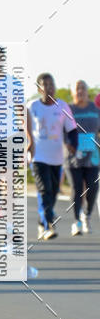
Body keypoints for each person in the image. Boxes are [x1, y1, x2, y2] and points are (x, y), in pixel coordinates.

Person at [27, 73, 77, 240]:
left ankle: (42, 222)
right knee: (45, 189)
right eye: (45, 85)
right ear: (39, 88)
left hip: (56, 157)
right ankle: (49, 224)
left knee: (54, 191)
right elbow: (21, 128)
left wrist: (72, 145)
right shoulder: (32, 106)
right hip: (37, 155)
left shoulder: (63, 106)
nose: (49, 87)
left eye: (51, 84)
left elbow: (71, 129)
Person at [66, 80, 99, 235]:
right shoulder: (68, 109)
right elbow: (61, 129)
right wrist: (67, 143)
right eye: (77, 88)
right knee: (76, 188)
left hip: (93, 156)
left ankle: (87, 215)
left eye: (83, 88)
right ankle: (76, 221)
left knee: (92, 188)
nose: (80, 91)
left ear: (87, 92)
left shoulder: (95, 109)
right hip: (73, 156)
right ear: (72, 93)